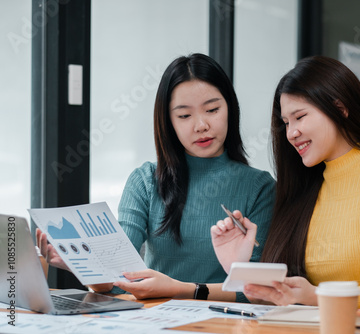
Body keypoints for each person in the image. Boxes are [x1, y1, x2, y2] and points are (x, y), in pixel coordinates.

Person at [37, 53, 275, 302]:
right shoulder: (145, 181)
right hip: (154, 321)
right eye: (184, 116)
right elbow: (118, 280)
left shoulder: (259, 188)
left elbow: (259, 291)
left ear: (230, 108)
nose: (201, 125)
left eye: (212, 109)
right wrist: (85, 266)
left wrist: (178, 289)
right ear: (168, 121)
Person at [211, 55, 360, 308]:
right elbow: (277, 300)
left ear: (340, 108)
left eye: (300, 117)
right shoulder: (303, 187)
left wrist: (314, 296)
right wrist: (239, 267)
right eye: (286, 122)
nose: (291, 133)